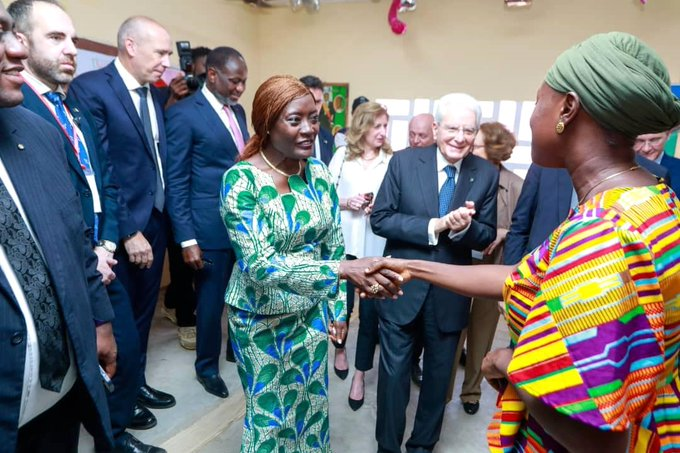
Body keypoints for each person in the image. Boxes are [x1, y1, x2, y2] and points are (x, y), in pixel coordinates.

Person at [368, 32, 680, 452]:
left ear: (567, 109)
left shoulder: (604, 232)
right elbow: (528, 275)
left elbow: (596, 435)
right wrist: (415, 266)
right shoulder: (648, 200)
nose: (532, 117)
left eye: (537, 102)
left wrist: (508, 364)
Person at [9, 1, 164, 451]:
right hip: (66, 259)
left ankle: (111, 437)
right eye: (56, 38)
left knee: (122, 351)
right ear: (20, 42)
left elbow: (103, 180)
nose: (71, 50)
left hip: (101, 252)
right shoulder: (22, 110)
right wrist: (89, 252)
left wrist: (109, 241)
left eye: (73, 39)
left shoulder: (71, 102)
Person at [220, 75, 399, 452]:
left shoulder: (317, 173)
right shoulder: (241, 180)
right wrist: (340, 272)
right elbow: (259, 264)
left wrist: (336, 310)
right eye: (295, 120)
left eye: (313, 118)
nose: (309, 129)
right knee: (270, 417)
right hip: (259, 319)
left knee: (312, 408)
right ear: (267, 123)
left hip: (311, 316)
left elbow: (333, 243)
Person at [0, 2, 117, 451]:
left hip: (60, 391)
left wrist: (101, 323)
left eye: (13, 34)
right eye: (2, 36)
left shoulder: (35, 131)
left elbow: (72, 241)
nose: (16, 50)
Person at [370, 92, 499, 453]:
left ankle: (422, 447)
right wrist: (434, 225)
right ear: (437, 128)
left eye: (469, 130)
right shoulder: (404, 162)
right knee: (393, 378)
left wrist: (462, 229)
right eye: (453, 128)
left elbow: (487, 233)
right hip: (400, 289)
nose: (460, 137)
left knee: (438, 380)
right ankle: (387, 447)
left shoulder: (485, 173)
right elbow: (381, 218)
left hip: (449, 294)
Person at [70, 15, 177, 416]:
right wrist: (129, 229)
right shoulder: (93, 89)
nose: (167, 60)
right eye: (161, 52)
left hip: (156, 220)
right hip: (122, 227)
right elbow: (101, 166)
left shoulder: (155, 94)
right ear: (131, 46)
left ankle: (137, 384)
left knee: (144, 316)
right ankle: (117, 402)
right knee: (121, 324)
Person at [166, 46, 249, 399]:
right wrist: (186, 238)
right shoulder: (184, 114)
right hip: (207, 228)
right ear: (212, 75)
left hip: (241, 225)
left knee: (243, 296)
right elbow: (176, 180)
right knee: (211, 303)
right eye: (235, 81)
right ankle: (206, 368)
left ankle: (239, 352)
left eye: (244, 81)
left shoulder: (238, 111)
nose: (240, 88)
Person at [446, 122, 523, 414]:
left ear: (493, 150)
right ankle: (442, 390)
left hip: (494, 270)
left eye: (475, 144)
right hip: (461, 265)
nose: (466, 145)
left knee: (482, 334)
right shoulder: (463, 175)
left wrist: (502, 232)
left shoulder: (516, 184)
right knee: (452, 331)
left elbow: (521, 227)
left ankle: (471, 392)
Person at [327, 101, 393, 410]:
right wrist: (346, 202)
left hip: (375, 249)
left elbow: (396, 204)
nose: (382, 132)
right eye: (377, 126)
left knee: (370, 317)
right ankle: (339, 349)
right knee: (340, 307)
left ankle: (359, 374)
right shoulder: (342, 156)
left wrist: (376, 207)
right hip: (343, 244)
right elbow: (323, 196)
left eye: (385, 126)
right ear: (362, 127)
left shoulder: (392, 161)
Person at [503, 154, 670, 266]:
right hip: (535, 282)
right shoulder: (547, 163)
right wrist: (509, 282)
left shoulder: (652, 175)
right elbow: (520, 227)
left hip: (607, 293)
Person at [300, 74, 334, 164]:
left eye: (318, 102)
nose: (314, 107)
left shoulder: (328, 137)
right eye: (311, 101)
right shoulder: (288, 135)